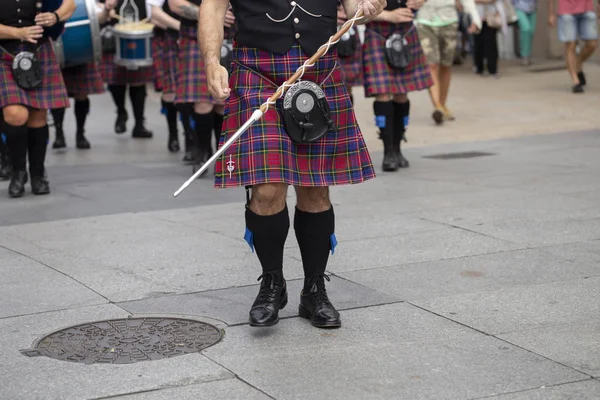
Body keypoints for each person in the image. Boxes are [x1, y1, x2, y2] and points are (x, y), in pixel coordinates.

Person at [199, 0, 384, 329]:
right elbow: (212, 7)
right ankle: (272, 284)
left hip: (318, 70)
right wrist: (212, 62)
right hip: (257, 73)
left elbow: (358, 4)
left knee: (315, 189)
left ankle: (314, 291)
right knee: (267, 190)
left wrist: (369, 5)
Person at [0, 0, 75, 198]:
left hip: (37, 51)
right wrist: (18, 33)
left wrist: (55, 16)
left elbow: (70, 4)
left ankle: (37, 174)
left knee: (37, 116)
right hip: (3, 53)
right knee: (15, 114)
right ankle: (18, 171)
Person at [363, 0, 431, 171]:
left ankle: (398, 148)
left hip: (405, 30)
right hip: (377, 30)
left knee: (401, 93)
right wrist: (387, 15)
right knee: (382, 92)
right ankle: (388, 152)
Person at [168, 0, 235, 171]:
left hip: (233, 37)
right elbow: (175, 4)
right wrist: (209, 14)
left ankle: (222, 154)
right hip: (196, 38)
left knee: (223, 101)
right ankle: (202, 149)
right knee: (202, 102)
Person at [50, 1, 115, 150]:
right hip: (56, 50)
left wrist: (106, 9)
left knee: (82, 95)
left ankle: (81, 133)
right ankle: (59, 133)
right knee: (58, 98)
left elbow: (95, 19)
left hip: (82, 47)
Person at [416, 0, 481, 124]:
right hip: (425, 20)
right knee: (432, 64)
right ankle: (437, 106)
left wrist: (475, 17)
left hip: (449, 19)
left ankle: (442, 105)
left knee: (446, 65)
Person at [99, 0, 154, 138]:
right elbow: (95, 6)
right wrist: (105, 8)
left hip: (140, 34)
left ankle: (139, 124)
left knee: (138, 83)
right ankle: (121, 112)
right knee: (115, 81)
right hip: (113, 36)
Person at [148, 0, 182, 153]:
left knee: (196, 96)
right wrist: (183, 27)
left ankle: (191, 136)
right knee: (170, 92)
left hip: (197, 36)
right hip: (168, 38)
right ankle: (173, 134)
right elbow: (154, 14)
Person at [548, 0, 597, 93]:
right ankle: (576, 81)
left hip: (587, 8)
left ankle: (577, 63)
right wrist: (551, 14)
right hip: (566, 11)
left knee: (592, 44)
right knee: (571, 44)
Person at [337, 3, 364, 104]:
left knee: (346, 84)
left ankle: (347, 118)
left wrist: (353, 6)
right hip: (322, 29)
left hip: (349, 28)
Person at [473, 0, 501, 76]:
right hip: (477, 17)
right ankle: (479, 68)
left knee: (491, 43)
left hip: (491, 15)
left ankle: (493, 69)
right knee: (478, 42)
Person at [513, 0, 537, 66]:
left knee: (531, 31)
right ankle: (524, 55)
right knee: (526, 29)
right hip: (519, 7)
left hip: (532, 7)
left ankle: (528, 54)